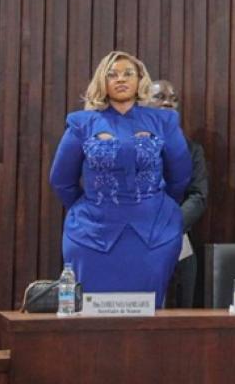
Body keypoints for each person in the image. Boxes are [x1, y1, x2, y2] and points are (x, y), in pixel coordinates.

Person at [49, 51, 192, 308]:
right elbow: (61, 180)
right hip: (91, 234)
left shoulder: (163, 121)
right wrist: (91, 206)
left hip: (154, 235)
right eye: (112, 74)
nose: (121, 79)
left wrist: (155, 206)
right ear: (102, 81)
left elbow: (180, 177)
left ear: (140, 80)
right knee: (92, 317)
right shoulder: (83, 123)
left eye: (128, 73)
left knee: (146, 314)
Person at [148, 79, 209, 308]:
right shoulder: (128, 144)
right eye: (160, 97)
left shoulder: (191, 149)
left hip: (178, 239)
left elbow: (198, 196)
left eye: (174, 99)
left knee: (182, 313)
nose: (168, 103)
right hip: (134, 238)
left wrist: (169, 227)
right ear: (142, 102)